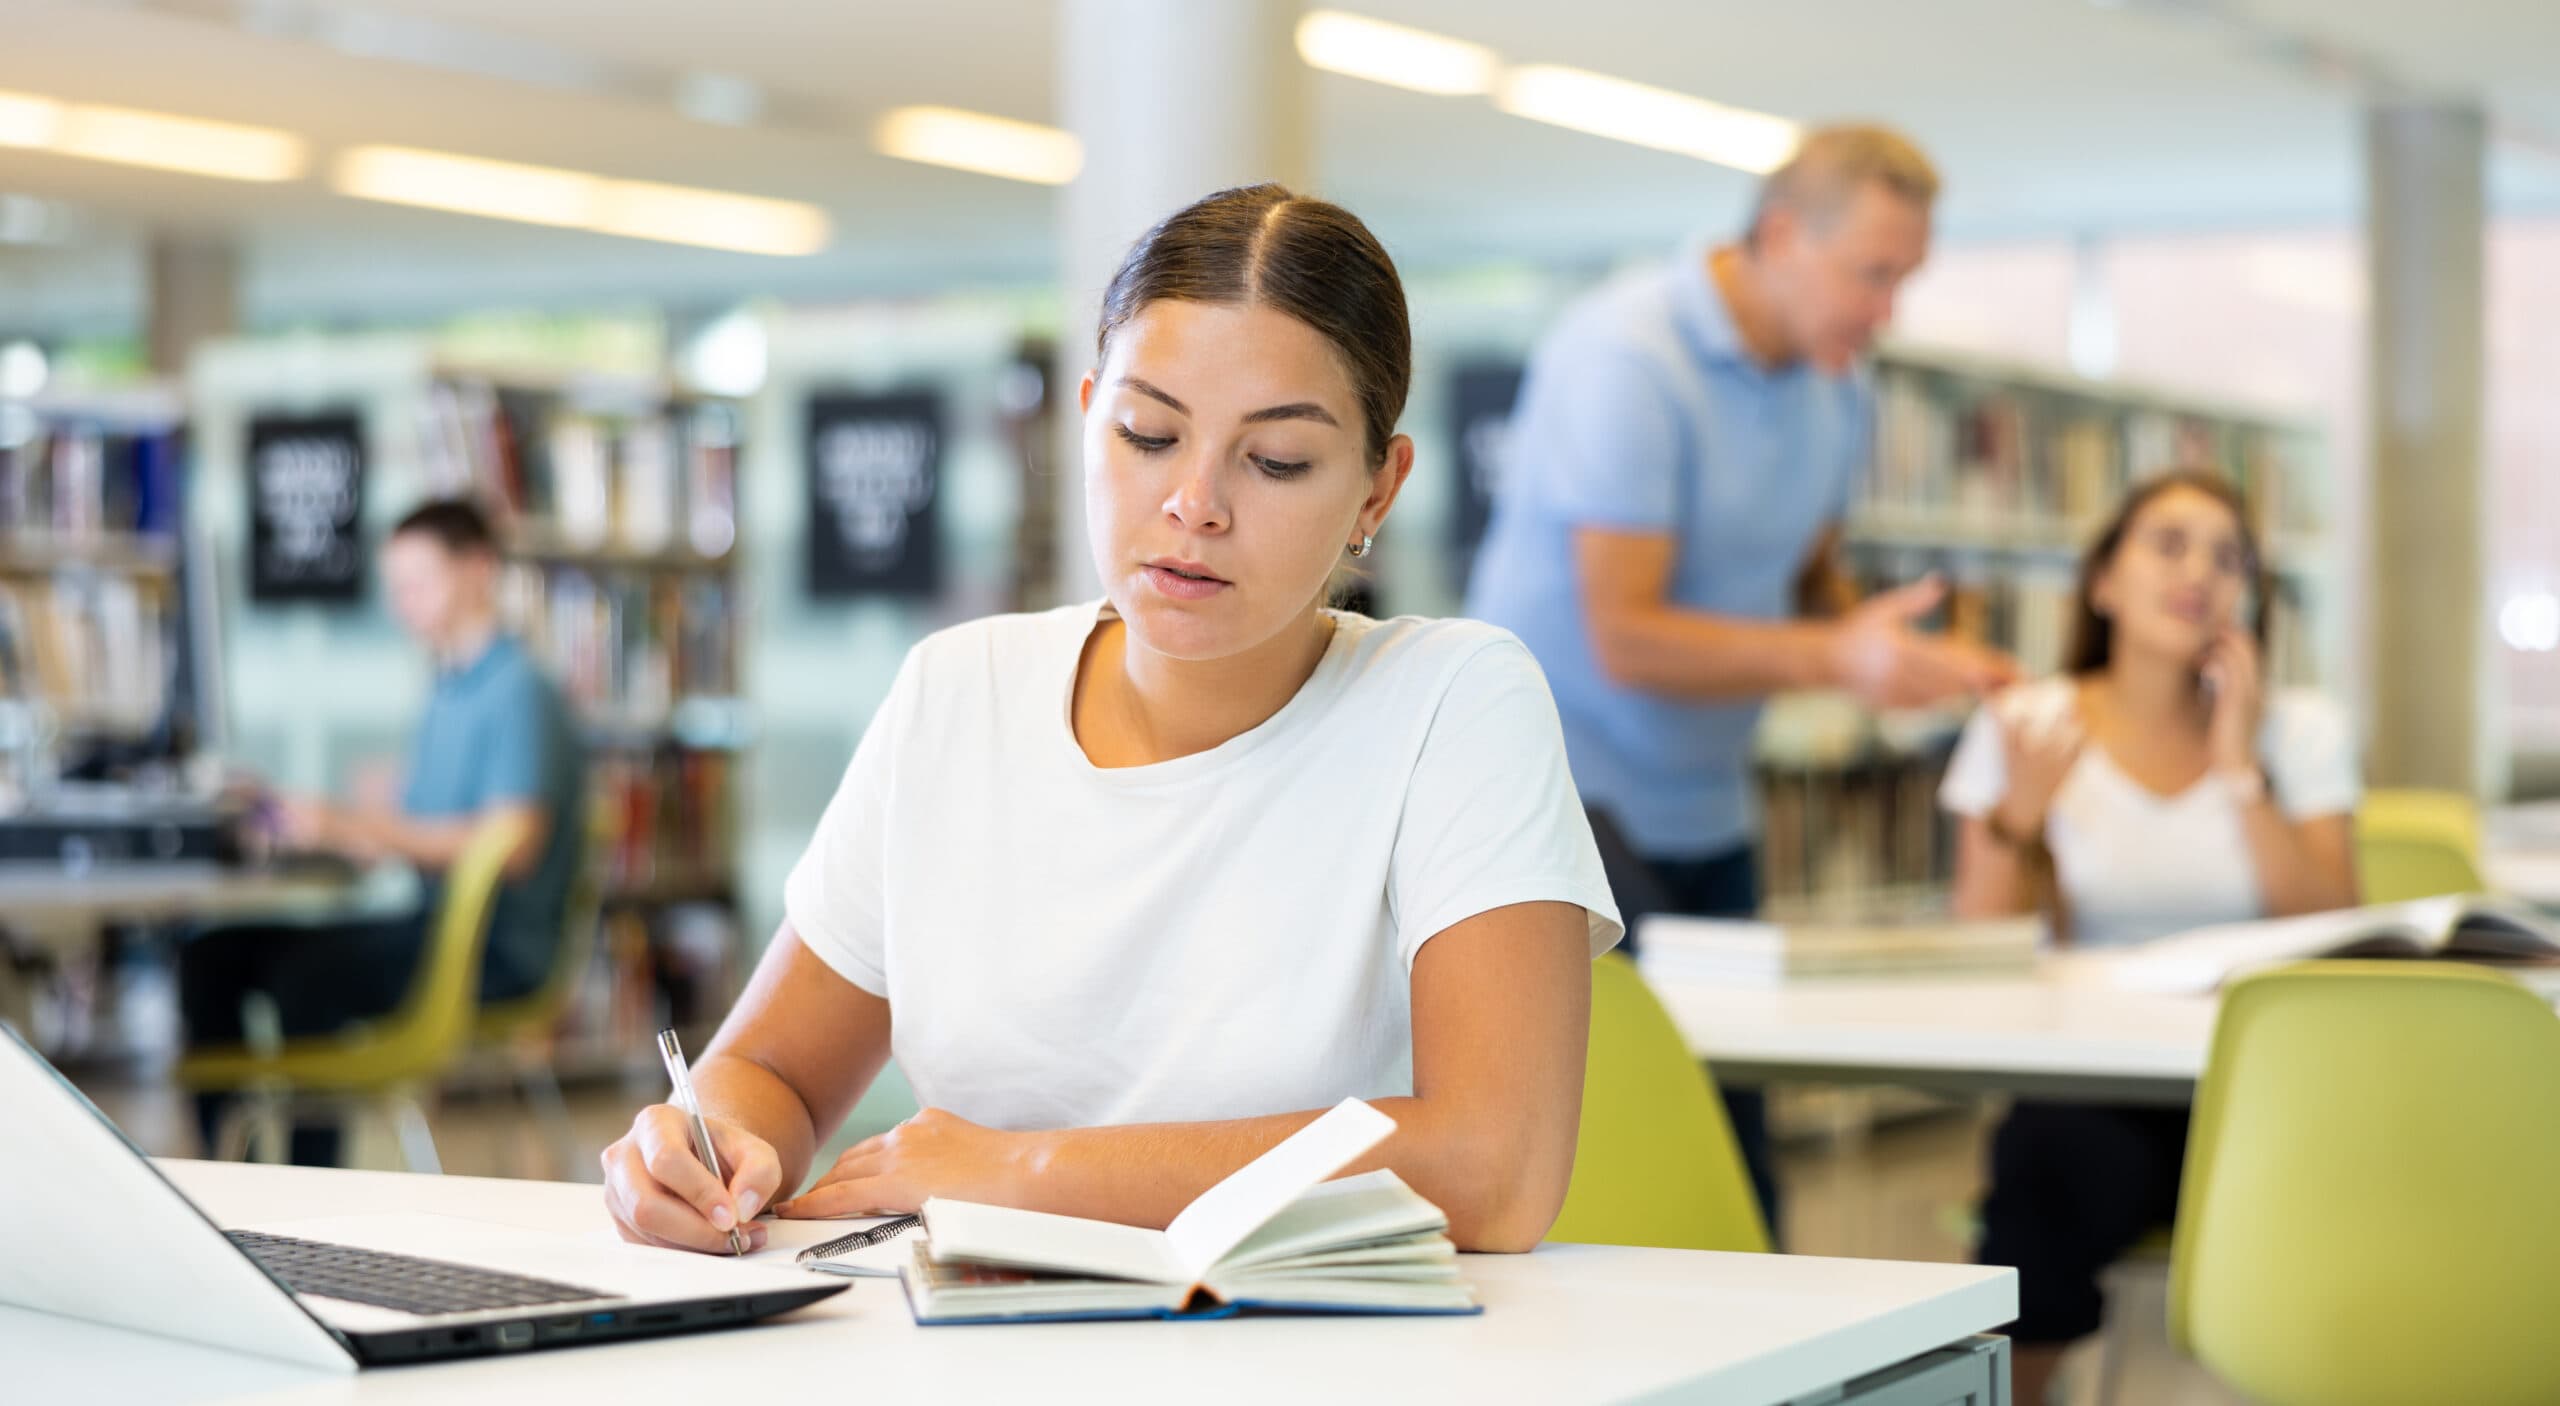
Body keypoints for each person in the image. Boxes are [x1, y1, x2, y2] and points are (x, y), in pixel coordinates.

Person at [602, 185, 1621, 1256]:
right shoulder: (959, 690)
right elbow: (773, 1073)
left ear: (1379, 490)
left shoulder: (1455, 702)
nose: (1194, 503)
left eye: (1275, 460)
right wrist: (705, 1143)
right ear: (1085, 417)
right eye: (1145, 433)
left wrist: (1022, 1169)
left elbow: (1493, 1167)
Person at [1464, 123, 2015, 1234]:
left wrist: (1888, 644)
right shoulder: (1625, 356)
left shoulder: (1832, 387)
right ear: (1777, 237)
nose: (1885, 310)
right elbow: (1628, 631)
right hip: (1561, 802)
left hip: (1708, 801)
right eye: (1872, 273)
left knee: (1740, 1143)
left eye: (1904, 278)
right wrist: (1835, 658)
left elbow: (1803, 573)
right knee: (1617, 1136)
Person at [1938, 469, 2360, 1403]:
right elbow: (1979, 954)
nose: (2200, 572)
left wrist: (2239, 766)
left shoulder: (2298, 730)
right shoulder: (2025, 724)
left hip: (2267, 1088)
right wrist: (2020, 816)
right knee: (2049, 1162)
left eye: (2228, 556)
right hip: (2097, 1087)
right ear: (2102, 583)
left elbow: (2335, 925)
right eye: (2169, 543)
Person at [179, 499, 586, 1165]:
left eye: (419, 583)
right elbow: (422, 824)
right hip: (430, 922)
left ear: (479, 569)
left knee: (305, 974)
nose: (403, 604)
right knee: (211, 956)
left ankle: (310, 1186)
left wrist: (356, 823)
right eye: (396, 587)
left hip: (490, 949)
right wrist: (321, 820)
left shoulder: (518, 689)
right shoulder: (446, 686)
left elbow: (511, 847)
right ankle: (228, 1173)